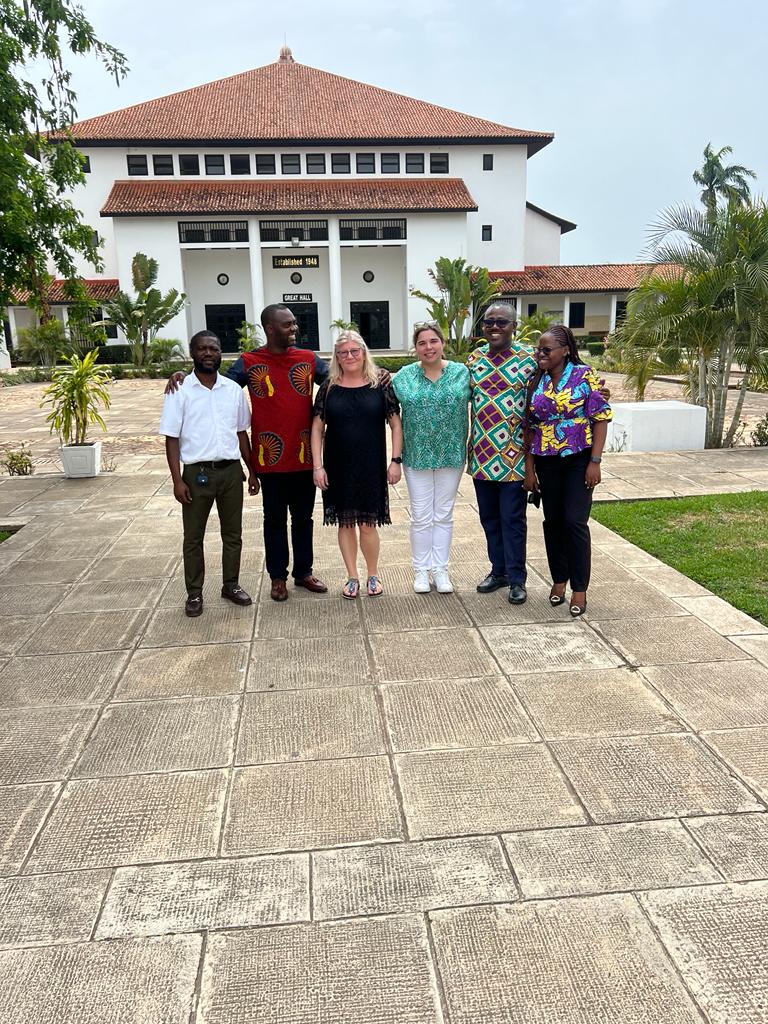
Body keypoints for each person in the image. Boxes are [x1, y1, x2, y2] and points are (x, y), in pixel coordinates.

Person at [167, 304, 329, 602]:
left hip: (306, 456)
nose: (295, 329)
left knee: (304, 518)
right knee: (274, 520)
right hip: (269, 459)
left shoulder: (308, 359)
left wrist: (375, 373)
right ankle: (277, 577)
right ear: (270, 328)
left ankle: (303, 572)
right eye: (288, 324)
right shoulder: (250, 361)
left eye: (294, 324)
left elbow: (338, 380)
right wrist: (182, 374)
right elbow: (218, 381)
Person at [160, 330, 258, 617]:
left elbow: (241, 433)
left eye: (213, 349)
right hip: (195, 474)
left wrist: (252, 471)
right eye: (202, 349)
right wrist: (177, 480)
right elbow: (171, 438)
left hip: (230, 473)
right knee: (193, 537)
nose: (207, 353)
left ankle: (231, 584)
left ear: (220, 353)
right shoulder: (179, 390)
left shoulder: (232, 390)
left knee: (233, 534)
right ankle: (194, 593)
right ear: (192, 353)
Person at [523, 324, 612, 617]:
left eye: (546, 350)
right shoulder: (537, 380)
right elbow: (530, 428)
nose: (540, 354)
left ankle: (580, 589)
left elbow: (600, 418)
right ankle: (559, 580)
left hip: (579, 459)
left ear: (565, 350)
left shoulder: (584, 376)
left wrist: (595, 462)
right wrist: (530, 469)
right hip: (547, 460)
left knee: (575, 522)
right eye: (539, 349)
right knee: (554, 522)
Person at [311, 331, 403, 598]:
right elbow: (316, 428)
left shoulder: (381, 383)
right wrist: (318, 466)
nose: (349, 356)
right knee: (345, 523)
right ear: (336, 357)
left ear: (364, 353)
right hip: (337, 464)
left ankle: (373, 574)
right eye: (343, 352)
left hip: (371, 465)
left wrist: (395, 461)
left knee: (368, 524)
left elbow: (395, 424)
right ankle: (352, 576)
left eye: (354, 351)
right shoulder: (329, 386)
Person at [466, 302, 537, 605]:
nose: (494, 327)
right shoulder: (474, 359)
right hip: (482, 455)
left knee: (512, 519)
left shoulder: (529, 360)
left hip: (514, 457)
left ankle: (517, 579)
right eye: (489, 322)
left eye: (502, 322)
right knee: (489, 519)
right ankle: (498, 571)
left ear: (514, 326)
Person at [392, 322, 470, 593]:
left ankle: (441, 569)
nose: (428, 347)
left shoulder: (462, 373)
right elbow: (383, 400)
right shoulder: (403, 377)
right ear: (415, 348)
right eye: (422, 343)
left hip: (451, 454)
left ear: (442, 343)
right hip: (417, 456)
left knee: (444, 515)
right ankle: (421, 571)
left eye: (433, 341)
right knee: (422, 516)